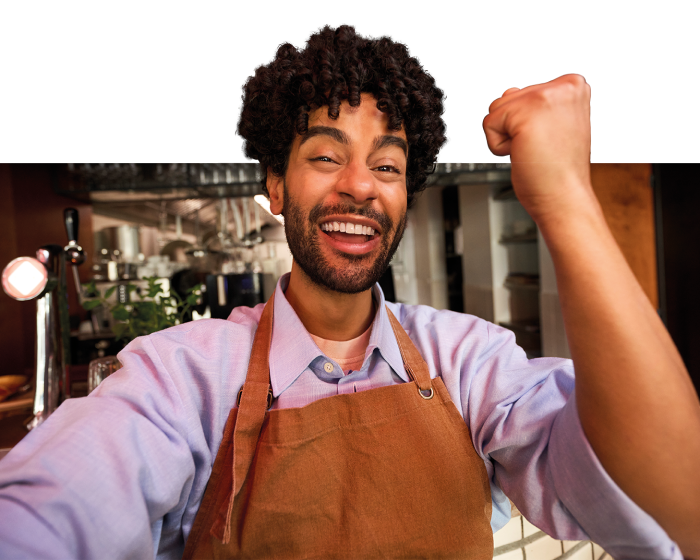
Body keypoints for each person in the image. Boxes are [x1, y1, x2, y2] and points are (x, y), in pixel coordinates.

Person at [1, 24, 699, 560]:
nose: (361, 185)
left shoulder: (468, 359)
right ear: (276, 185)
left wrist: (566, 198)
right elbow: (45, 517)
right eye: (327, 155)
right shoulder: (182, 377)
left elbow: (673, 501)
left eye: (387, 164)